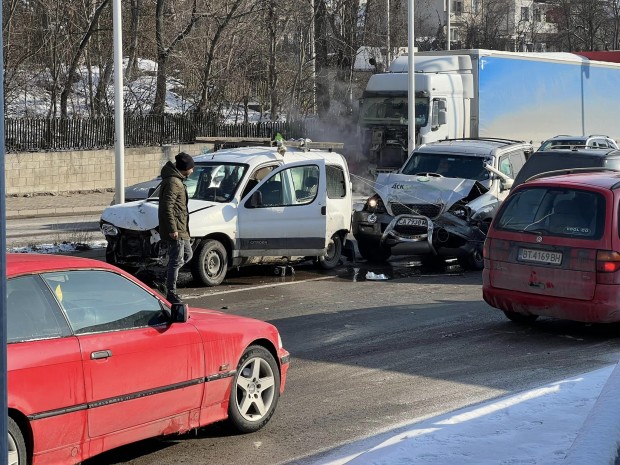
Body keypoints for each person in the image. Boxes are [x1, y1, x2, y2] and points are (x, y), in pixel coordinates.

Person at [158, 152, 195, 303]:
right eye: (191, 167)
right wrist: (173, 229)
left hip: (181, 228)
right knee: (176, 259)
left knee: (187, 255)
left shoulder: (177, 180)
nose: (193, 170)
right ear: (185, 168)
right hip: (177, 229)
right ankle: (171, 292)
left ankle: (164, 280)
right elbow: (167, 206)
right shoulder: (174, 182)